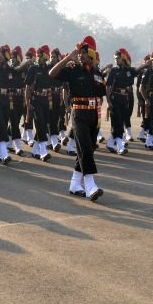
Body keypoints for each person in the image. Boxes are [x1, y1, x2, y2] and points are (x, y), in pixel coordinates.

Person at [49, 36, 106, 201]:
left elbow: (101, 93)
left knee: (86, 149)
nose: (80, 55)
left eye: (84, 52)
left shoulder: (96, 72)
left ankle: (75, 184)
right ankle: (90, 186)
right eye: (79, 52)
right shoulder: (72, 69)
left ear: (92, 55)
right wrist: (67, 59)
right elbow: (52, 73)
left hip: (95, 115)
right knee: (86, 149)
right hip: (79, 114)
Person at [24, 45, 54, 161]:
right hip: (36, 99)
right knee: (40, 123)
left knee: (44, 124)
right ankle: (43, 151)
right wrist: (27, 102)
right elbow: (27, 87)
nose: (38, 58)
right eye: (38, 56)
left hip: (47, 99)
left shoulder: (50, 68)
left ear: (46, 57)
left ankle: (35, 150)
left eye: (40, 56)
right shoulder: (33, 69)